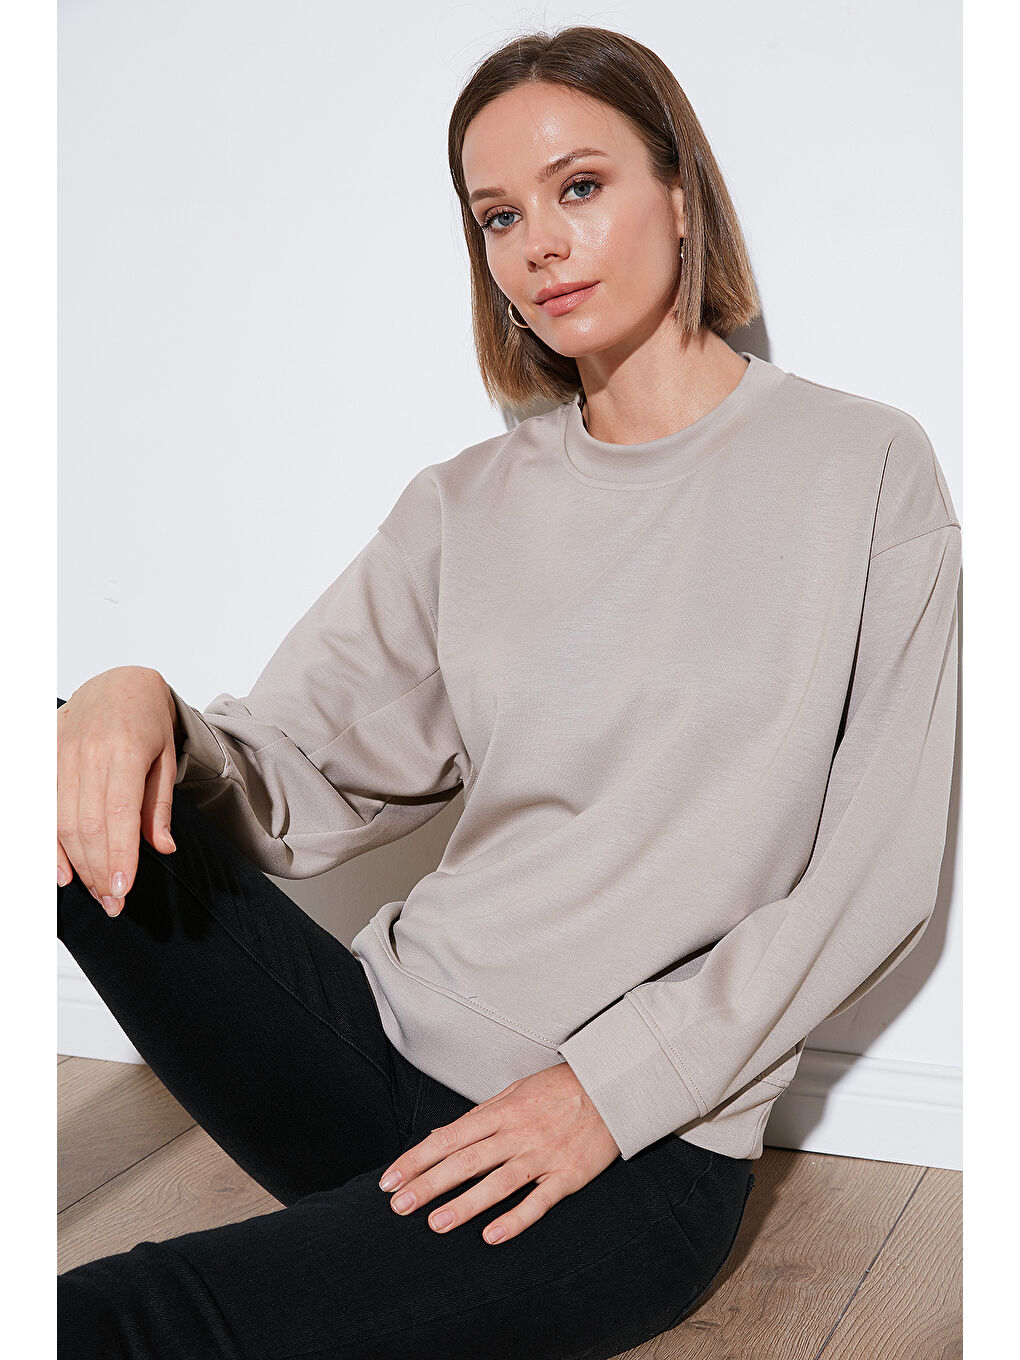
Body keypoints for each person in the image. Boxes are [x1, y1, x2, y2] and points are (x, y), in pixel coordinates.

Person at [55, 23, 961, 1360]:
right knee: (47, 758)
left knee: (140, 1319)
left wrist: (608, 1092)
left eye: (579, 186)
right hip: (375, 1055)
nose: (540, 243)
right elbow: (296, 766)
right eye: (498, 216)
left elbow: (874, 877)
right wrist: (129, 698)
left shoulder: (865, 469)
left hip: (628, 1151)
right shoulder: (463, 507)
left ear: (682, 195)